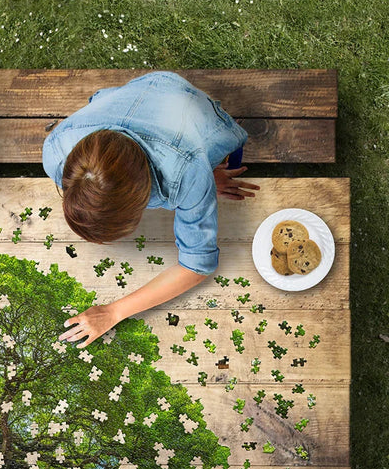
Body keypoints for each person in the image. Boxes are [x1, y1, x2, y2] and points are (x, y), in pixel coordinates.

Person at [42, 71, 260, 348]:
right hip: (131, 97)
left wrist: (112, 312)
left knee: (224, 158)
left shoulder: (188, 170)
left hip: (187, 106)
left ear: (143, 201)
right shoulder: (55, 150)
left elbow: (196, 264)